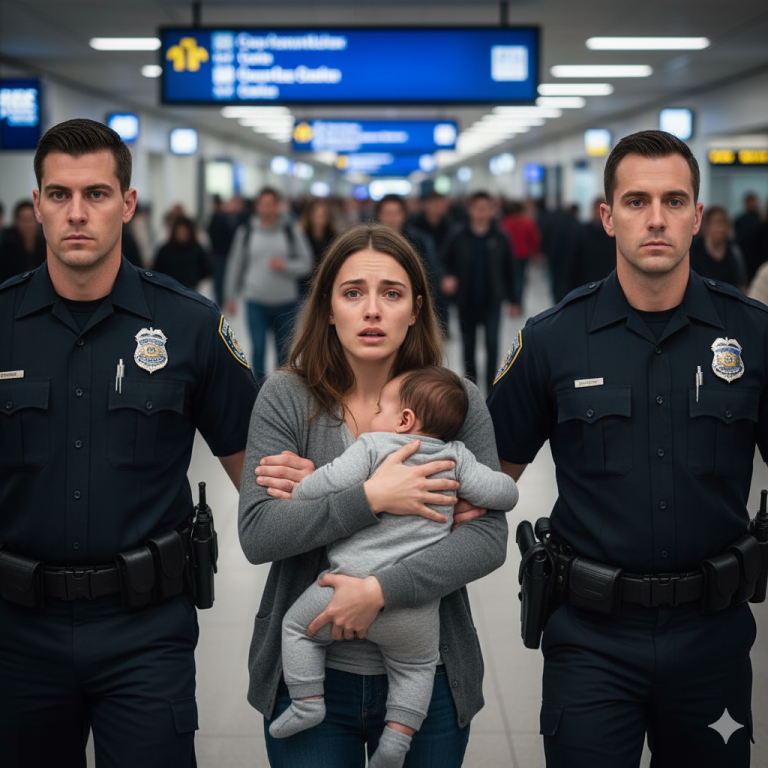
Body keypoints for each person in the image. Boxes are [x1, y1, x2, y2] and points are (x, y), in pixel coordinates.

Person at [487, 129, 765, 767]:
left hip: (713, 635)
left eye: (674, 201)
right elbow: (486, 479)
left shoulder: (753, 336)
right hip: (590, 639)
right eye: (637, 201)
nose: (657, 219)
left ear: (698, 215)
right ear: (608, 217)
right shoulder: (553, 340)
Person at [0, 118, 258, 768]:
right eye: (58, 195)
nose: (76, 213)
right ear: (36, 205)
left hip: (145, 629)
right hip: (15, 634)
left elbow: (263, 478)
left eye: (96, 194)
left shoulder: (190, 325)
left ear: (128, 203)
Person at [238, 223, 509, 767]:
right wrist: (373, 497)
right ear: (327, 308)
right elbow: (260, 533)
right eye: (352, 292)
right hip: (309, 674)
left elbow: (488, 539)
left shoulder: (457, 402)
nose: (371, 310)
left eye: (391, 294)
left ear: (415, 309)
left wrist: (379, 590)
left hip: (428, 678)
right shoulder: (285, 397)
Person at [268, 365, 518, 768]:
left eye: (382, 408)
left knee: (297, 629)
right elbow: (503, 491)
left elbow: (327, 482)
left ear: (404, 420)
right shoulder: (456, 456)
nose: (373, 416)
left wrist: (302, 487)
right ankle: (396, 742)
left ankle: (308, 702)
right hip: (417, 611)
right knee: (417, 668)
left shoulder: (373, 445)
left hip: (344, 587)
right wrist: (486, 499)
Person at [224, 187, 313, 382]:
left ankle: (280, 391)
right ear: (257, 206)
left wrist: (286, 265)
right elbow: (235, 264)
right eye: (263, 204)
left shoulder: (291, 231)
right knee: (258, 348)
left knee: (284, 352)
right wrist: (230, 296)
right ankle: (257, 390)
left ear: (278, 206)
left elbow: (307, 263)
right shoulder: (246, 232)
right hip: (255, 299)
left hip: (285, 302)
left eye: (271, 204)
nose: (267, 209)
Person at [440, 191, 515, 392]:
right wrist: (446, 277)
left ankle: (492, 388)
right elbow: (443, 262)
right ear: (470, 210)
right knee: (468, 348)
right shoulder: (458, 235)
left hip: (492, 302)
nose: (482, 212)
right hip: (466, 301)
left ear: (492, 210)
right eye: (478, 208)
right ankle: (471, 389)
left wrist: (515, 299)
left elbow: (510, 268)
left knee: (492, 346)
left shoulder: (501, 237)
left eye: (486, 208)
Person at [565, 197, 617, 294]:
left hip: (608, 285)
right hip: (586, 285)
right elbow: (574, 261)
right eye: (597, 208)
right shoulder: (582, 232)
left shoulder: (616, 235)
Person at [689, 205, 748, 291]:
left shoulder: (734, 251)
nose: (720, 228)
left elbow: (741, 284)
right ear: (707, 226)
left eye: (723, 223)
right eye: (716, 223)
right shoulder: (694, 250)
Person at [500, 199, 541, 315]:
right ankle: (518, 304)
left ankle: (512, 302)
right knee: (520, 280)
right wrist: (535, 252)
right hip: (523, 255)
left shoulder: (506, 222)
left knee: (510, 279)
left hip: (508, 256)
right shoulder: (527, 222)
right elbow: (534, 238)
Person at [153, 215, 213, 291]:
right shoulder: (166, 250)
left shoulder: (196, 249)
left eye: (184, 232)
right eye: (179, 232)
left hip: (191, 289)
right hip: (170, 289)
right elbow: (157, 269)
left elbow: (206, 268)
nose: (182, 235)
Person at [298, 197, 337, 299]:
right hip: (305, 284)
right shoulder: (301, 235)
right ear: (310, 216)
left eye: (323, 215)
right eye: (318, 215)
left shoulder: (333, 237)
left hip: (326, 284)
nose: (321, 218)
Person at [0, 199, 47, 283]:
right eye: (23, 220)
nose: (27, 225)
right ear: (16, 222)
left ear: (37, 219)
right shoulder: (7, 249)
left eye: (30, 219)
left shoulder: (47, 245)